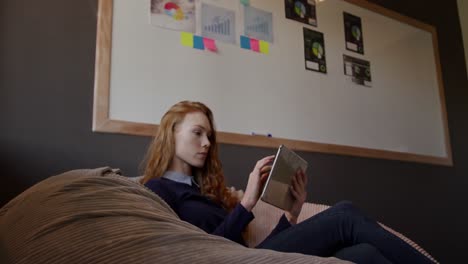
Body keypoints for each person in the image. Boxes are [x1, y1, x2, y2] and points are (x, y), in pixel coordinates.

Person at [141, 100, 434, 264]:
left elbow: (253, 253)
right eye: (197, 133)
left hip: (250, 259)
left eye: (210, 136)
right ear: (172, 133)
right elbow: (208, 252)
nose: (206, 143)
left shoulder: (203, 191)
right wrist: (248, 202)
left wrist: (292, 214)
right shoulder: (157, 190)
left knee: (363, 255)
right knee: (345, 214)